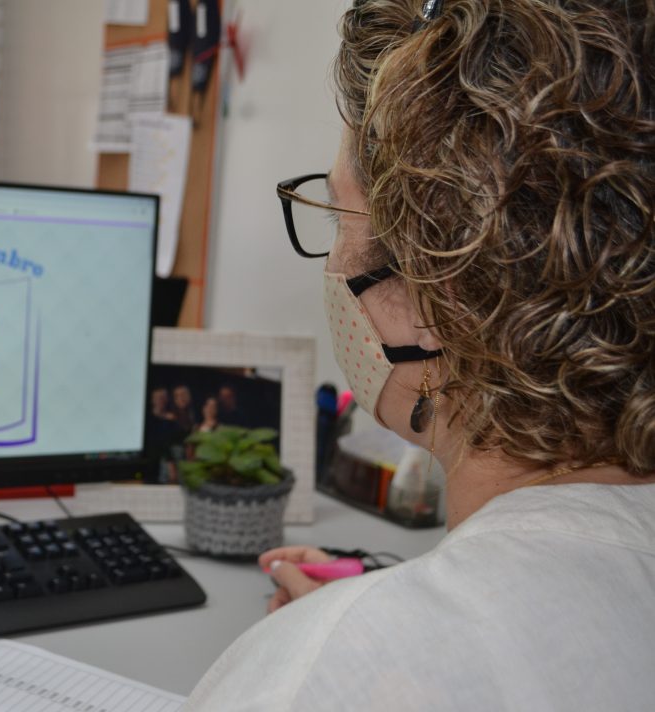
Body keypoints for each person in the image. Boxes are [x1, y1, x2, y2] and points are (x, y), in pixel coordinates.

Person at [183, 1, 655, 709]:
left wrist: (349, 641)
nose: (334, 264)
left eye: (338, 215)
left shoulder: (329, 672)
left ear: (438, 294)